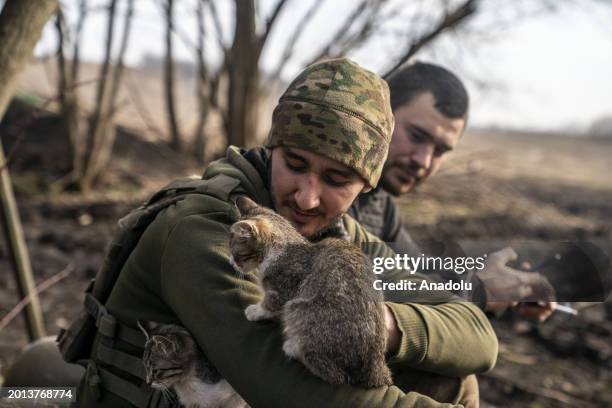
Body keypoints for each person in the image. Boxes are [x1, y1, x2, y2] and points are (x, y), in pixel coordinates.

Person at [74, 58, 497, 407]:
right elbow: (294, 394)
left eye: (335, 179)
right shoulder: (207, 229)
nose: (307, 198)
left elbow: (478, 336)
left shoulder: (339, 237)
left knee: (456, 382)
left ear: (365, 187)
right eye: (295, 164)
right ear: (272, 147)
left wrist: (379, 323)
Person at [348, 62, 555, 320]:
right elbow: (367, 292)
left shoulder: (380, 205)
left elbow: (418, 273)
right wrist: (478, 291)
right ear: (381, 114)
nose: (423, 161)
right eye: (416, 135)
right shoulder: (327, 190)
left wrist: (508, 286)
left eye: (440, 150)